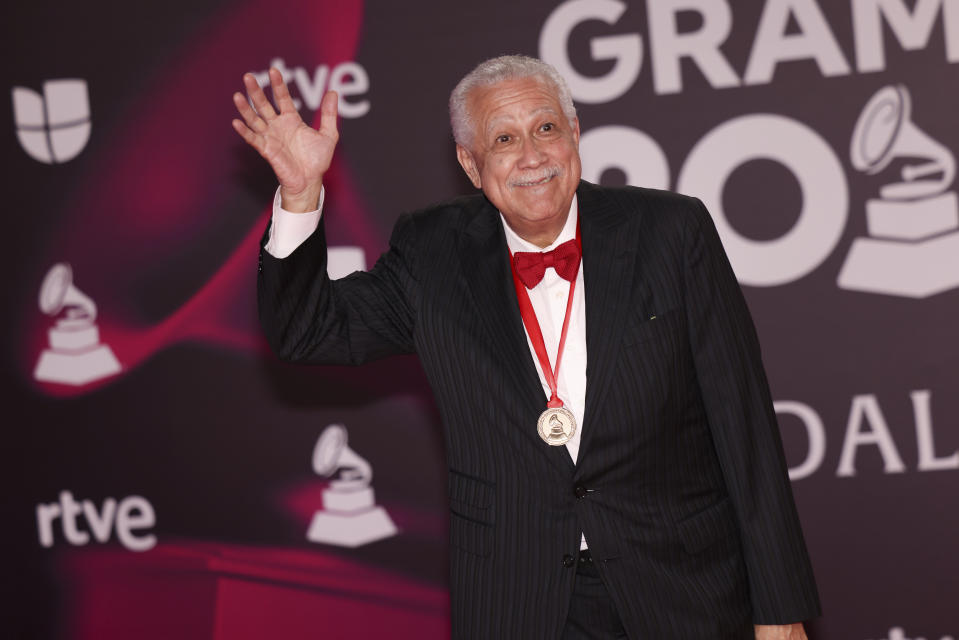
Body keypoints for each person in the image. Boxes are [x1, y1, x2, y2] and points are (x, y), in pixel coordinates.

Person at [233, 55, 821, 640]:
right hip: (519, 601)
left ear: (576, 134)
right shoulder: (432, 254)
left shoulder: (671, 231)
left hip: (683, 591)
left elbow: (743, 424)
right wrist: (301, 193)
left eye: (546, 129)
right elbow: (306, 332)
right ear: (470, 164)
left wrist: (779, 606)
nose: (532, 156)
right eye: (504, 138)